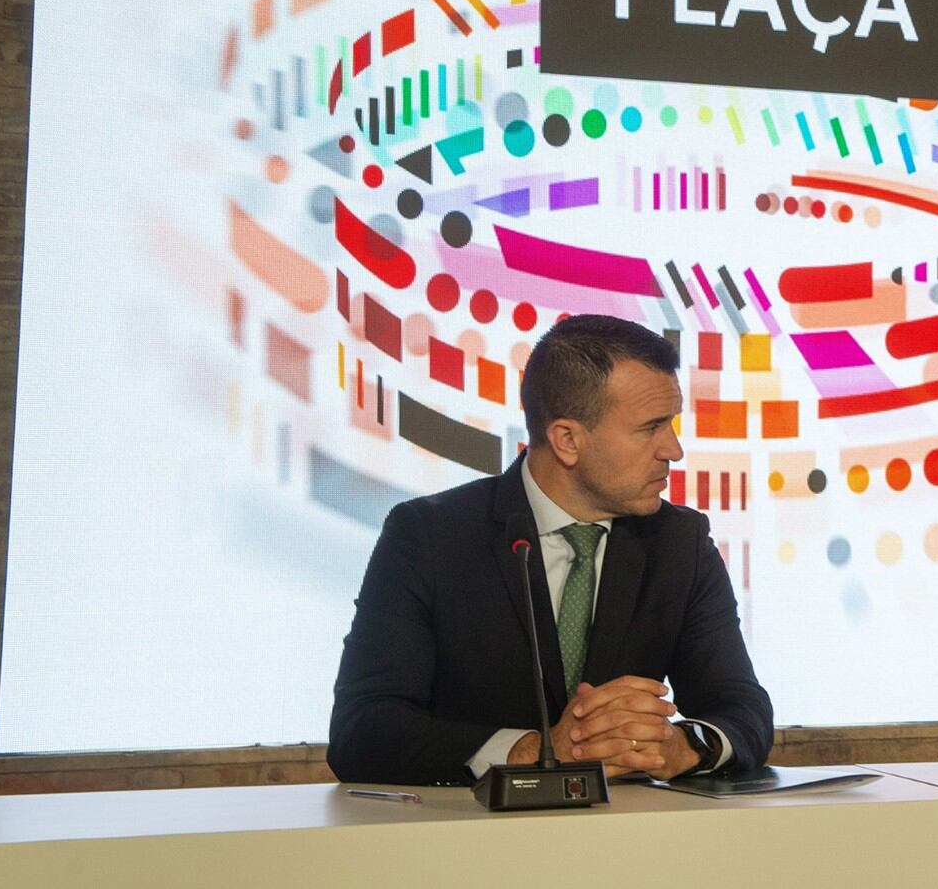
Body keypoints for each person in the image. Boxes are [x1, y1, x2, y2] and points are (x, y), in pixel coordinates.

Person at [329, 315, 772, 785]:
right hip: (466, 843)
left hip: (633, 843)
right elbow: (364, 730)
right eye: (651, 428)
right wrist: (536, 752)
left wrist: (683, 746)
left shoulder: (680, 544)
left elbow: (742, 710)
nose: (674, 449)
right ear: (566, 440)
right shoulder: (429, 536)